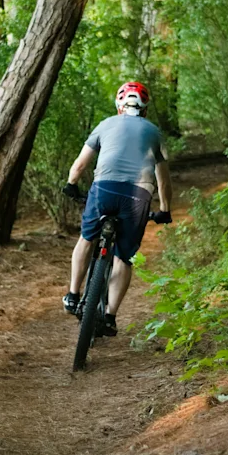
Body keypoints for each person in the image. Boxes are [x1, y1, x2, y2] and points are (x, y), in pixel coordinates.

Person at [62, 81, 172, 336]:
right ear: (145, 110)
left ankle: (72, 294)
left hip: (104, 191)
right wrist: (165, 209)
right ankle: (110, 316)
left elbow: (79, 165)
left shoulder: (105, 125)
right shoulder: (154, 132)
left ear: (119, 106)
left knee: (87, 238)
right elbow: (163, 179)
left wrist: (71, 185)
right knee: (124, 257)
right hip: (137, 195)